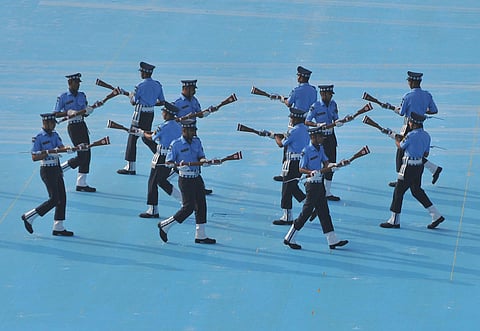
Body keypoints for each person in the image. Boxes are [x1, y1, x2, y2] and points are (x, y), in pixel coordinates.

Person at [283, 126, 349, 250]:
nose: (322, 138)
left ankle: (332, 239)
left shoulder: (321, 149)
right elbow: (301, 169)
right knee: (306, 212)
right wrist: (311, 171)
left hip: (319, 184)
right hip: (312, 185)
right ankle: (290, 237)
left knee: (324, 212)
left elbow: (326, 164)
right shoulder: (306, 151)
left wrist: (336, 165)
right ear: (313, 137)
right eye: (320, 136)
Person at [380, 112, 445, 229]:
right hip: (419, 166)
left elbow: (400, 146)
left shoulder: (410, 135)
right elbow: (426, 153)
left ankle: (394, 220)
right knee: (416, 191)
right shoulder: (426, 136)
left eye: (410, 121)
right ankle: (436, 214)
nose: (409, 123)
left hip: (408, 167)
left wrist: (393, 136)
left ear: (414, 124)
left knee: (398, 193)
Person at [157, 119, 217, 244]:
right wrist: (177, 166)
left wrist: (204, 161)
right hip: (185, 179)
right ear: (184, 131)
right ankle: (165, 225)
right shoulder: (176, 144)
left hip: (197, 177)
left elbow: (201, 155)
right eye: (191, 131)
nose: (194, 133)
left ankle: (200, 235)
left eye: (194, 130)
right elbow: (168, 162)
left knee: (201, 205)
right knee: (188, 207)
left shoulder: (197, 141)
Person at [21, 113, 75, 236]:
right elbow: (34, 157)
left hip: (56, 168)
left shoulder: (55, 135)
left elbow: (61, 147)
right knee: (54, 199)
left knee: (62, 198)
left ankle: (58, 227)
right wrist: (48, 153)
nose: (54, 125)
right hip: (47, 170)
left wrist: (69, 149)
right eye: (52, 123)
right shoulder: (38, 137)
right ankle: (29, 216)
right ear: (45, 123)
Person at [387, 71, 442, 187]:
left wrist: (392, 108)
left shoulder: (408, 96)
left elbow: (402, 112)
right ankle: (434, 169)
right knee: (416, 152)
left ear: (411, 82)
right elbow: (434, 110)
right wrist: (421, 111)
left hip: (409, 126)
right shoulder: (427, 95)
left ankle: (401, 178)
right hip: (420, 124)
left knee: (402, 151)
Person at [117, 61, 165, 175]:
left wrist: (130, 95)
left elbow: (133, 102)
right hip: (150, 113)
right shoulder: (158, 85)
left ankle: (131, 167)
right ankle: (162, 156)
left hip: (139, 114)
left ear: (144, 73)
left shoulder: (140, 86)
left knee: (132, 138)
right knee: (146, 137)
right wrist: (151, 103)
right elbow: (162, 101)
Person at [54, 73, 100, 192]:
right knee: (82, 154)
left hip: (82, 125)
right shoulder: (63, 97)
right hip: (73, 127)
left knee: (87, 154)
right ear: (70, 83)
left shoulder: (82, 95)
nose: (78, 85)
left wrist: (89, 111)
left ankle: (81, 183)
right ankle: (60, 169)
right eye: (76, 83)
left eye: (79, 83)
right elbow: (56, 114)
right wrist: (68, 112)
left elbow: (85, 111)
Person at [272, 66, 317, 182]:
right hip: (306, 121)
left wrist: (282, 99)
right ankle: (303, 169)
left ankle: (285, 173)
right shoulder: (313, 90)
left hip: (295, 121)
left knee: (289, 146)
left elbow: (289, 103)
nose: (297, 77)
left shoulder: (296, 91)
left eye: (298, 75)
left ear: (302, 77)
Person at [138, 102, 182, 218]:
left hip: (161, 157)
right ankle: (182, 199)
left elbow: (152, 137)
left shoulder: (163, 126)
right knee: (161, 181)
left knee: (153, 182)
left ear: (168, 114)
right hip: (173, 156)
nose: (162, 113)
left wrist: (142, 133)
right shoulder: (179, 126)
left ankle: (153, 209)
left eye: (163, 112)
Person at [173, 79, 215, 194]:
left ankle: (199, 185)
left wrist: (209, 111)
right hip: (182, 134)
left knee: (196, 155)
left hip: (193, 132)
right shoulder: (177, 103)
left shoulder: (194, 100)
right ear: (185, 89)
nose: (194, 92)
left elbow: (200, 114)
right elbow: (171, 119)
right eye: (192, 89)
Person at [305, 84, 344, 201]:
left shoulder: (333, 104)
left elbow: (336, 117)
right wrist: (317, 125)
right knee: (317, 164)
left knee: (331, 164)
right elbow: (307, 121)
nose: (330, 96)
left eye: (331, 94)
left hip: (331, 137)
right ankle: (314, 189)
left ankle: (327, 192)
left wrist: (338, 121)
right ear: (323, 94)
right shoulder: (315, 106)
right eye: (328, 94)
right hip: (320, 139)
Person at [271, 107, 309, 225]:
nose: (291, 120)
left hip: (292, 163)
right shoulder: (305, 129)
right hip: (300, 161)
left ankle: (287, 217)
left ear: (296, 119)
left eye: (292, 117)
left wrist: (276, 137)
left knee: (287, 189)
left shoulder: (294, 131)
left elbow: (281, 144)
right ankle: (310, 205)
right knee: (293, 186)